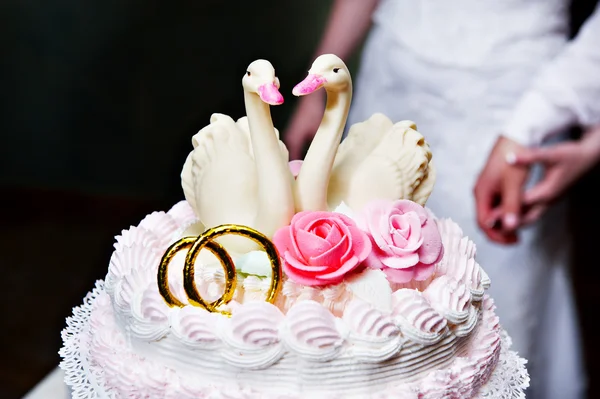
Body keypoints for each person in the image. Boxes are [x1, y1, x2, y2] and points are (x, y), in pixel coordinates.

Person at [284, 1, 600, 398]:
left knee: (497, 316)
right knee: (373, 299)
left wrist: (593, 139)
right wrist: (318, 88)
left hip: (515, 106)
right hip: (395, 81)